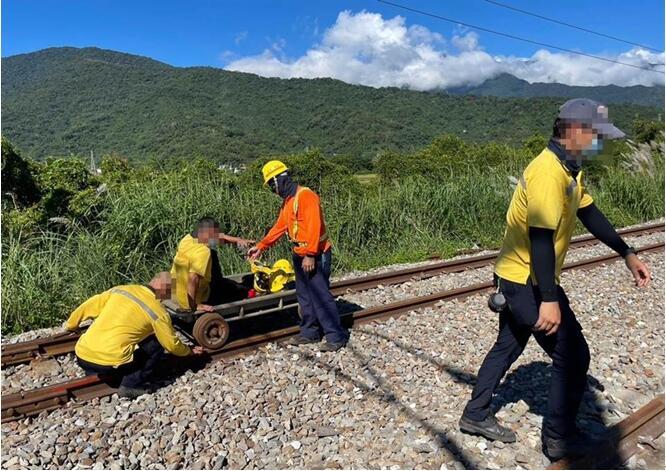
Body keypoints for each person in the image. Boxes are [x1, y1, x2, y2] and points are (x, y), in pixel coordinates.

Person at [458, 98, 652, 460]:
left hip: (520, 277)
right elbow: (541, 238)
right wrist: (548, 297)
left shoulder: (569, 169)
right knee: (574, 355)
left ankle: (475, 414)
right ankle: (558, 439)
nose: (600, 143)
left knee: (508, 345)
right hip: (527, 281)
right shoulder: (548, 172)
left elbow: (590, 213)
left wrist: (626, 252)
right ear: (575, 132)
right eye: (596, 135)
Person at [247, 160, 349, 352]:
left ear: (280, 179)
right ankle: (310, 333)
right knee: (305, 295)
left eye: (271, 184)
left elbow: (314, 226)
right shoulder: (288, 202)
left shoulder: (306, 196)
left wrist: (310, 254)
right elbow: (280, 227)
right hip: (299, 253)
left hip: (315, 254)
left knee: (320, 295)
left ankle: (336, 336)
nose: (271, 189)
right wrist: (262, 246)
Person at [65, 272, 204, 398]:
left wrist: (71, 325)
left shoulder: (121, 290)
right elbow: (172, 345)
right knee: (157, 342)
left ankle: (95, 372)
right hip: (108, 363)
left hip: (82, 356)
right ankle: (131, 385)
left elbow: (86, 306)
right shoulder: (157, 311)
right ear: (165, 292)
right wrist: (188, 351)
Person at [170, 217, 254, 312]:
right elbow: (193, 278)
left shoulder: (187, 239)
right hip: (195, 299)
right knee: (240, 290)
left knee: (212, 253)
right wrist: (194, 305)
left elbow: (218, 237)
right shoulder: (202, 252)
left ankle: (220, 283)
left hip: (177, 293)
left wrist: (237, 240)